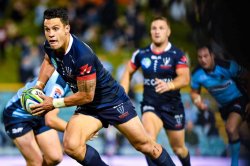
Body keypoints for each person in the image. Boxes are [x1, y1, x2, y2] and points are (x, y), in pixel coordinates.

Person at [31, 8, 175, 166]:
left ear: (67, 29)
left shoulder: (82, 55)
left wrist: (53, 103)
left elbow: (87, 95)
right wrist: (39, 85)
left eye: (55, 28)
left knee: (146, 146)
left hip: (112, 101)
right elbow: (48, 60)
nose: (51, 34)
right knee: (71, 146)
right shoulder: (50, 45)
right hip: (89, 106)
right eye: (47, 29)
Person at [120, 16, 191, 166]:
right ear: (150, 31)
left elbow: (185, 78)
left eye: (161, 28)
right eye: (154, 28)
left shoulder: (177, 54)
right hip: (151, 105)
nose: (157, 31)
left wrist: (170, 85)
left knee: (179, 149)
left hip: (173, 107)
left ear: (168, 32)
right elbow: (128, 72)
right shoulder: (141, 53)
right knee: (148, 141)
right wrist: (122, 95)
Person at [190, 44, 250, 166]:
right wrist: (198, 102)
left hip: (239, 99)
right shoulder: (197, 74)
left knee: (230, 128)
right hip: (224, 107)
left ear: (212, 55)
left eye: (206, 56)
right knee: (245, 136)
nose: (203, 60)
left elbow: (248, 76)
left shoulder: (228, 66)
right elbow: (194, 93)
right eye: (200, 57)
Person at [2, 70, 71, 166]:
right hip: (17, 115)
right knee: (35, 162)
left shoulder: (68, 76)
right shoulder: (58, 83)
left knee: (55, 158)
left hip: (40, 113)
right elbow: (50, 120)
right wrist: (78, 131)